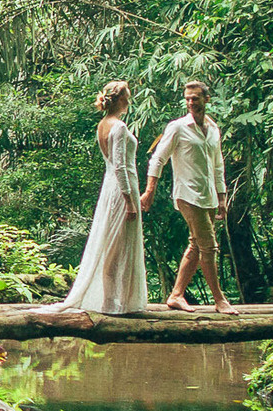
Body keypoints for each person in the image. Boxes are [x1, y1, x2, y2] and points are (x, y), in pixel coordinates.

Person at [39, 80, 148, 315]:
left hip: (113, 187)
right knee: (118, 245)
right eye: (127, 96)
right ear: (120, 99)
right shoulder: (117, 126)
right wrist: (129, 200)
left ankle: (116, 300)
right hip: (121, 189)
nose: (129, 100)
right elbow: (119, 165)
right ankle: (111, 301)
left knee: (114, 242)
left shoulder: (103, 124)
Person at [144, 79, 234, 313]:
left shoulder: (213, 128)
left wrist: (222, 197)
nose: (191, 102)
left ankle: (176, 295)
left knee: (196, 245)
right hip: (187, 194)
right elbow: (158, 158)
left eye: (195, 98)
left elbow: (218, 165)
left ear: (207, 99)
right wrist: (149, 191)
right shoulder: (177, 127)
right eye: (188, 99)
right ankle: (219, 300)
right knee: (209, 247)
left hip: (209, 196)